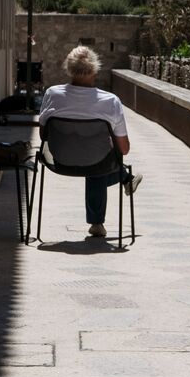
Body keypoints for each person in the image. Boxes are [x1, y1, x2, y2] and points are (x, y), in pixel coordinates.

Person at [38, 46, 141, 238]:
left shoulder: (52, 94)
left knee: (92, 157)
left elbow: (43, 134)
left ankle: (122, 181)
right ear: (95, 69)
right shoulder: (110, 101)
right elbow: (124, 149)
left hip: (59, 162)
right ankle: (123, 180)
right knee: (97, 163)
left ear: (68, 68)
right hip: (98, 164)